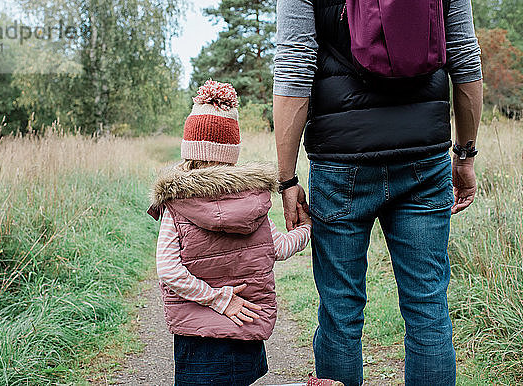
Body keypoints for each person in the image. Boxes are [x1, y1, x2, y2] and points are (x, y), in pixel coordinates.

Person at [273, 0, 483, 385]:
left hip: (340, 162)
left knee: (339, 311)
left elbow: (294, 63)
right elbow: (466, 57)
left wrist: (287, 180)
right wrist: (465, 154)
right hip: (423, 158)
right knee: (427, 307)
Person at [147, 80, 314, 386]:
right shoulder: (253, 200)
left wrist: (217, 299)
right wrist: (306, 229)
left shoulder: (176, 205)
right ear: (232, 153)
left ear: (190, 151)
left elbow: (169, 271)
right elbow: (277, 247)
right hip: (244, 325)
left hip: (197, 335)